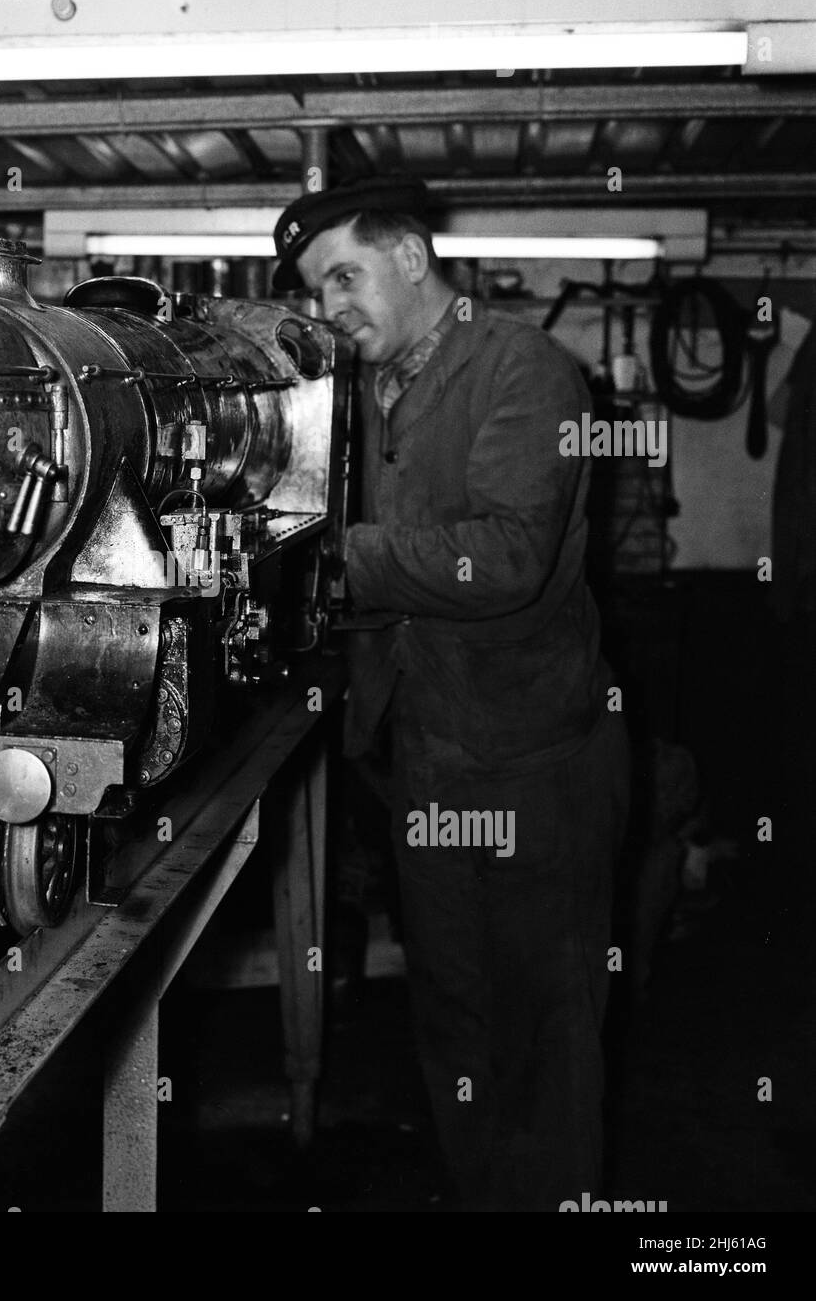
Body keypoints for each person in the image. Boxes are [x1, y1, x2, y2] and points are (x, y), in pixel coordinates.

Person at [272, 175, 630, 1211]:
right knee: (456, 1019)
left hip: (535, 763)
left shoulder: (524, 370)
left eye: (344, 274)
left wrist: (336, 562)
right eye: (314, 288)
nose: (329, 304)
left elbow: (508, 555)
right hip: (426, 751)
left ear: (412, 258)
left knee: (546, 1034)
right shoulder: (373, 390)